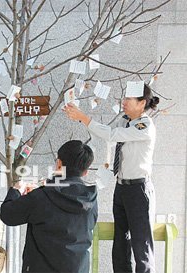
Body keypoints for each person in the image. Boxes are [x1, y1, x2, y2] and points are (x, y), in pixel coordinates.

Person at [63, 84, 159, 273]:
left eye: (128, 100)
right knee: (121, 243)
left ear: (142, 103)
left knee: (142, 246)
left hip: (139, 189)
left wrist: (83, 117)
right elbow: (108, 134)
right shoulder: (125, 121)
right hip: (122, 188)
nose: (123, 103)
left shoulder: (144, 125)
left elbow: (111, 135)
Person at [0, 140, 98, 272]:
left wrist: (16, 190)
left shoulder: (42, 196)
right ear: (85, 172)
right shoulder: (91, 200)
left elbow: (8, 215)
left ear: (58, 164)